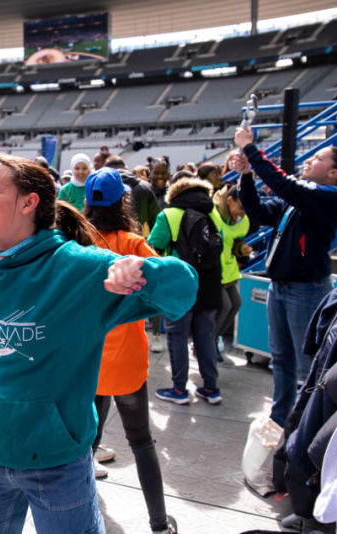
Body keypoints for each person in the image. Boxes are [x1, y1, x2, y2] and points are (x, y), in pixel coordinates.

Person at [0, 154, 197, 534]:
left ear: (29, 203)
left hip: (56, 464)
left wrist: (145, 271)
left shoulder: (80, 267)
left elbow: (184, 288)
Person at [231, 127, 337, 427]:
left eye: (319, 158)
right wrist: (246, 176)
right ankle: (281, 420)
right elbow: (258, 212)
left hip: (305, 291)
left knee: (306, 366)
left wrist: (250, 149)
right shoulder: (301, 196)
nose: (310, 160)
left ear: (334, 173)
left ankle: (306, 426)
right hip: (280, 287)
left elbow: (282, 184)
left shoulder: (327, 198)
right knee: (281, 360)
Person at [83, 167, 177, 534]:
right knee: (141, 442)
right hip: (126, 361)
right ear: (124, 202)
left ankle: (80, 518)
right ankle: (159, 524)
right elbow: (163, 288)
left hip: (87, 357)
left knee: (86, 443)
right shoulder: (135, 245)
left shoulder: (76, 242)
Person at [149, 175, 224, 405]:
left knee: (177, 336)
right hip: (210, 282)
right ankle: (211, 388)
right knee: (206, 336)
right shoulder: (213, 212)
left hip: (180, 281)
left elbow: (153, 247)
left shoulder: (169, 214)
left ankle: (179, 389)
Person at [212, 183, 251, 359]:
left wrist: (242, 248)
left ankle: (213, 338)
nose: (243, 213)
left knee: (236, 303)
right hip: (213, 271)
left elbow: (235, 242)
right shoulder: (213, 215)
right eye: (241, 207)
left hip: (228, 271)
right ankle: (206, 342)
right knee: (225, 306)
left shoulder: (242, 220)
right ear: (229, 200)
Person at [105, 154, 161, 237]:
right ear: (126, 168)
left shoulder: (103, 188)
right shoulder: (145, 187)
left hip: (109, 241)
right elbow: (157, 222)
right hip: (141, 240)